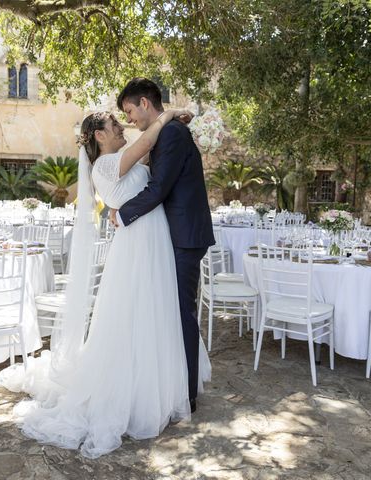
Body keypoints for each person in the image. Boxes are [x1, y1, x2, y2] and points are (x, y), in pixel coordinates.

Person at [0, 107, 211, 459]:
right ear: (99, 135)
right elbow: (145, 143)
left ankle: (154, 382)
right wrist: (168, 114)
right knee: (135, 312)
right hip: (139, 243)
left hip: (150, 238)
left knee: (153, 310)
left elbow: (153, 175)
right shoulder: (106, 165)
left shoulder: (118, 162)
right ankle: (133, 389)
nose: (122, 126)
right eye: (115, 124)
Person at [111, 78, 215, 412]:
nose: (130, 120)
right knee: (172, 311)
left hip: (185, 237)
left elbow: (159, 189)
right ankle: (175, 383)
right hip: (179, 234)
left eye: (130, 111)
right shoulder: (166, 132)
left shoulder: (171, 135)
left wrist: (122, 215)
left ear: (144, 103)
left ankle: (186, 394)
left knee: (183, 313)